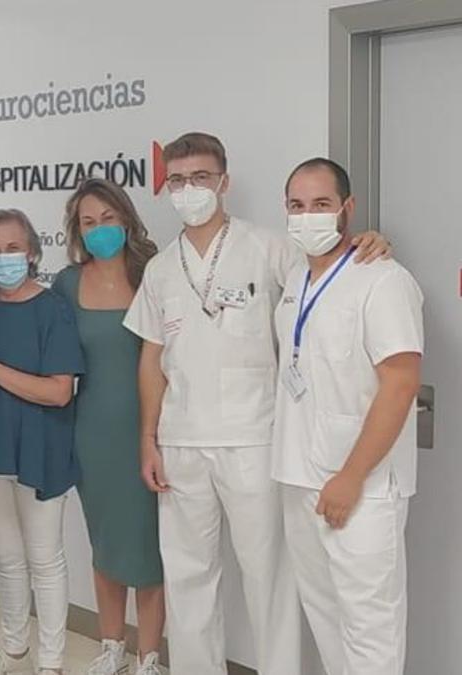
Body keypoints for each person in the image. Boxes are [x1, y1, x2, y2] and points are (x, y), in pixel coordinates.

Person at [124, 133, 390, 675]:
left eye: (200, 177)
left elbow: (328, 274)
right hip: (181, 442)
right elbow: (151, 359)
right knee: (188, 577)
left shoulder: (270, 247)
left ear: (224, 182)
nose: (189, 189)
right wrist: (147, 438)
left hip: (256, 437)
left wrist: (369, 243)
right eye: (177, 180)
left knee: (269, 577)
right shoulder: (160, 268)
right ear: (166, 187)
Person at [274, 158, 422, 675]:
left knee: (369, 630)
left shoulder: (383, 279)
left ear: (347, 209)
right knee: (327, 620)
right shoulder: (295, 277)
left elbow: (401, 383)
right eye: (297, 206)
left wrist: (351, 476)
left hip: (361, 487)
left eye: (321, 205)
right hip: (300, 475)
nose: (307, 216)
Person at [0, 209, 83, 675]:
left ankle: (50, 662)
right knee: (7, 561)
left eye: (12, 248)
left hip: (41, 450)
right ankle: (14, 655)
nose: (3, 258)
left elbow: (58, 390)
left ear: (31, 252)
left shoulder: (53, 310)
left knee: (45, 561)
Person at [50, 178, 165, 675]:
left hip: (153, 432)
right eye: (88, 222)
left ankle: (150, 655)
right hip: (92, 433)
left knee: (150, 549)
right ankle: (112, 647)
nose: (99, 230)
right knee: (106, 543)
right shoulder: (67, 284)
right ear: (77, 230)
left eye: (108, 219)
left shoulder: (155, 274)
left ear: (127, 219)